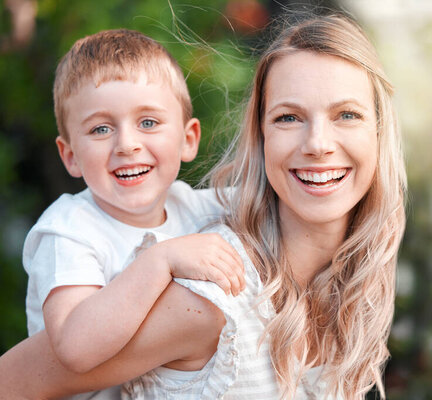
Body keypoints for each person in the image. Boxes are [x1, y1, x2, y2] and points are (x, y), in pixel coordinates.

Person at [0, 13, 406, 400]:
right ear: (260, 137)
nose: (317, 144)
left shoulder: (195, 209)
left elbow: (250, 197)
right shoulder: (205, 294)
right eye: (288, 118)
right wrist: (158, 262)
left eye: (347, 114)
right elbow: (30, 372)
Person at [21, 29, 245, 399]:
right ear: (71, 155)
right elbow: (75, 349)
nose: (127, 144)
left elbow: (271, 204)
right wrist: (159, 261)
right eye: (101, 128)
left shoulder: (191, 204)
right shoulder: (68, 231)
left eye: (148, 123)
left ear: (188, 139)